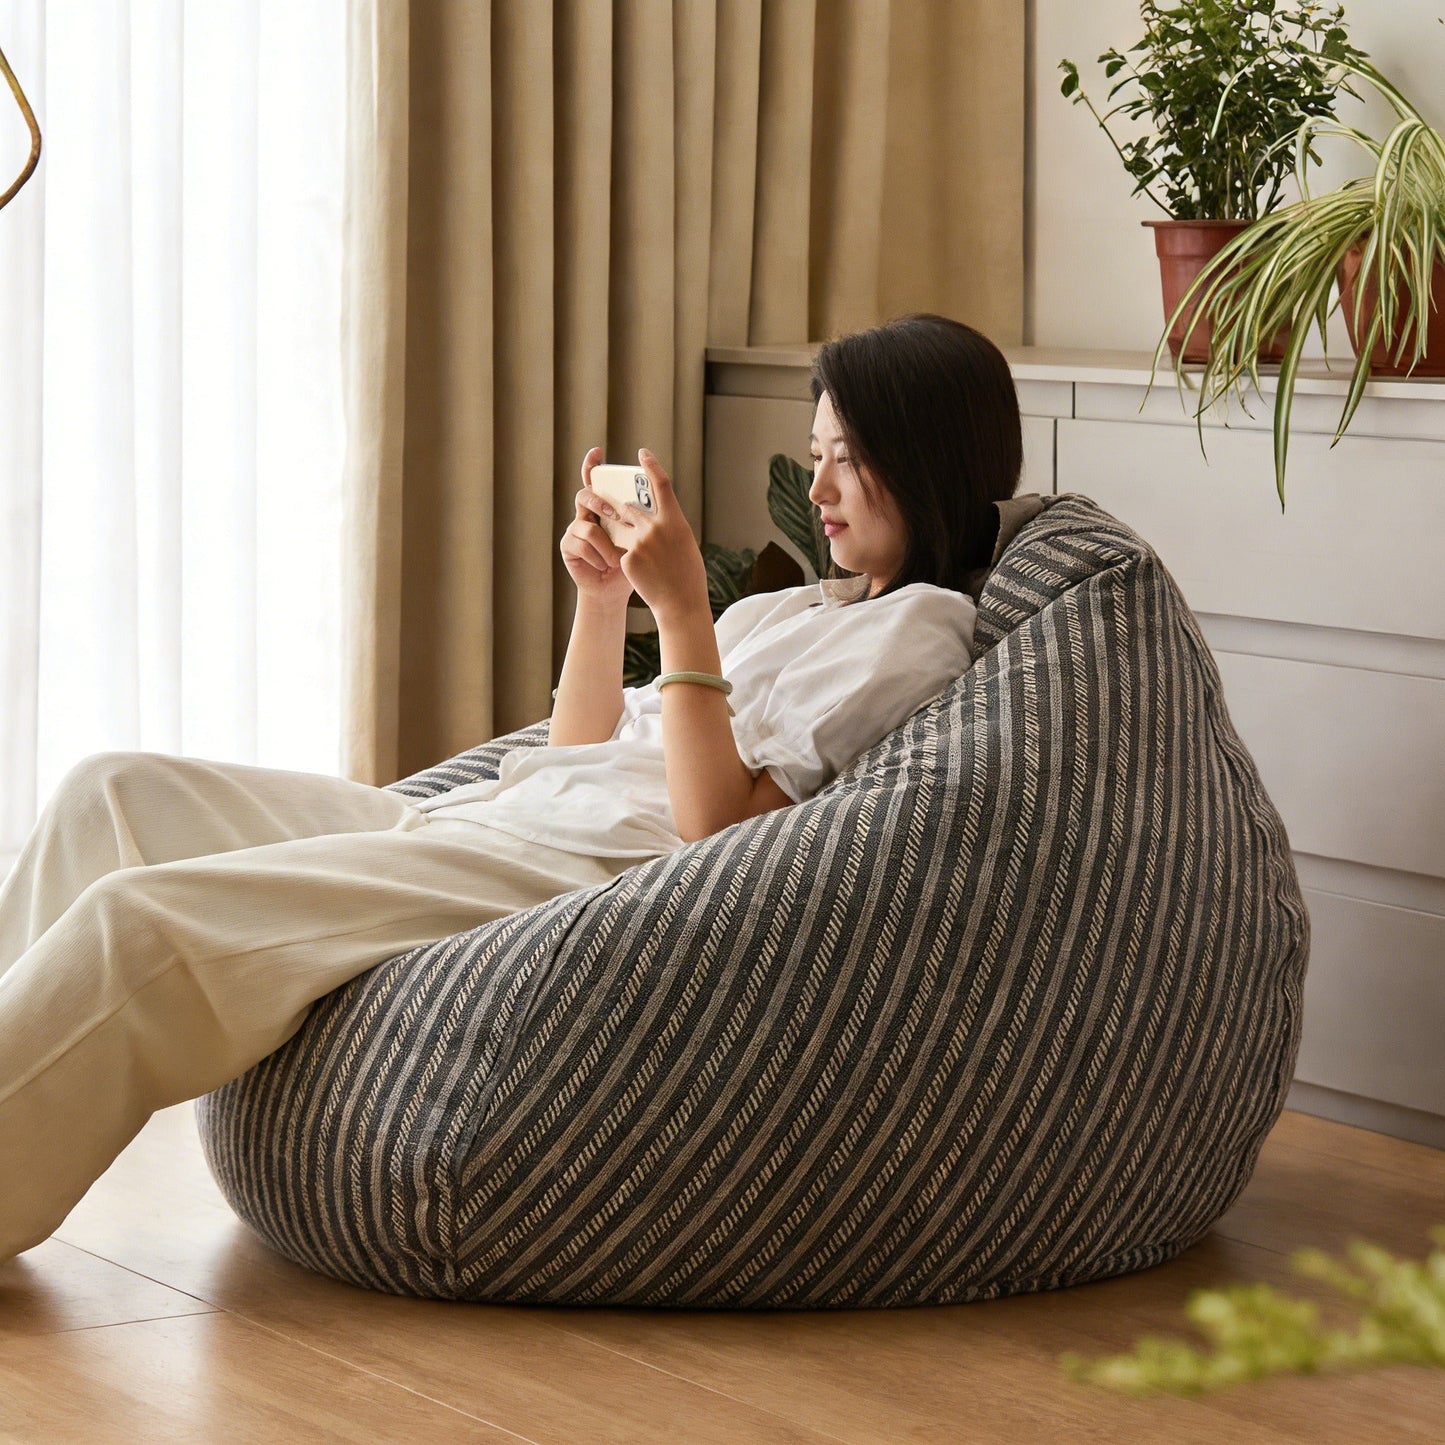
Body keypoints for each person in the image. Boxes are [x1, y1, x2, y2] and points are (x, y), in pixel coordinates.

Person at [0, 312, 1022, 1265]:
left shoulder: (917, 629)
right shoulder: (792, 607)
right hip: (498, 811)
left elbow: (715, 825)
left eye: (849, 456)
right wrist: (604, 600)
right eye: (814, 458)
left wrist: (677, 611)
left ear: (928, 456)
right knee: (112, 791)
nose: (822, 487)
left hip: (560, 868)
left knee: (142, 926)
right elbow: (578, 743)